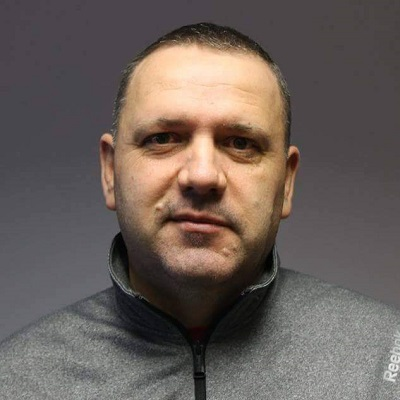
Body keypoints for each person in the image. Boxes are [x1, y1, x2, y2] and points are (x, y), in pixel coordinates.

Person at [1, 22, 399, 400]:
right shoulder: (15, 380)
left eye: (240, 143)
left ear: (287, 182)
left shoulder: (386, 359)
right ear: (110, 172)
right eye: (163, 138)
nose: (203, 175)